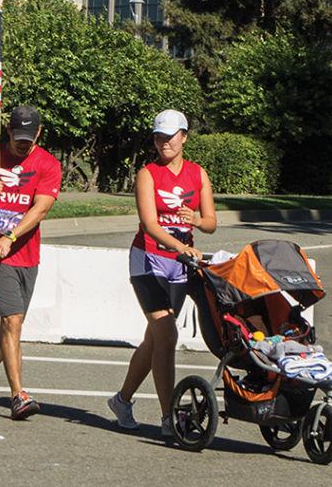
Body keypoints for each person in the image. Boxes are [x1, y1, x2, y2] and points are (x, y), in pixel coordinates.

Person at [107, 109, 217, 436]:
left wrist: (196, 220)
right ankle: (170, 417)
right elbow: (150, 225)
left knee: (155, 338)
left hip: (180, 267)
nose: (163, 143)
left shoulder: (198, 174)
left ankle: (122, 400)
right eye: (158, 137)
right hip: (148, 261)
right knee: (167, 335)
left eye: (169, 137)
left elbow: (211, 222)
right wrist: (181, 247)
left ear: (184, 136)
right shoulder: (148, 174)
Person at [0, 105, 62, 420]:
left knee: (11, 327)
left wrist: (12, 237)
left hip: (25, 252)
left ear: (39, 134)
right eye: (18, 137)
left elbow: (41, 208)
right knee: (11, 322)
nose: (23, 144)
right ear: (8, 131)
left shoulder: (47, 163)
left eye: (29, 139)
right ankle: (18, 396)